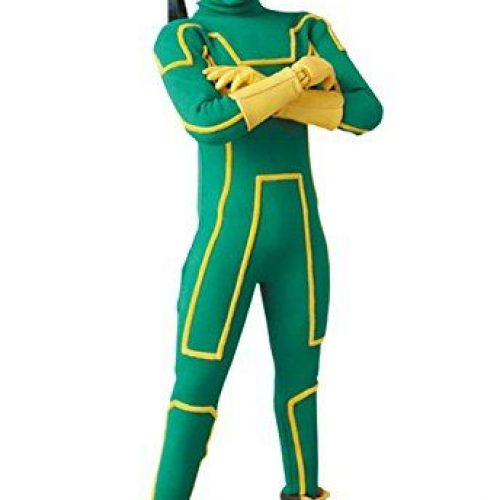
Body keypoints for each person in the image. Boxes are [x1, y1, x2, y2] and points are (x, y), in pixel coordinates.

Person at [153, 0, 383, 497]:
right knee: (195, 389)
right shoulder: (187, 37)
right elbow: (209, 123)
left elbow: (368, 113)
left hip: (301, 246)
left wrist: (262, 89)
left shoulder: (305, 28)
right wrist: (302, 76)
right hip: (226, 248)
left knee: (302, 384)